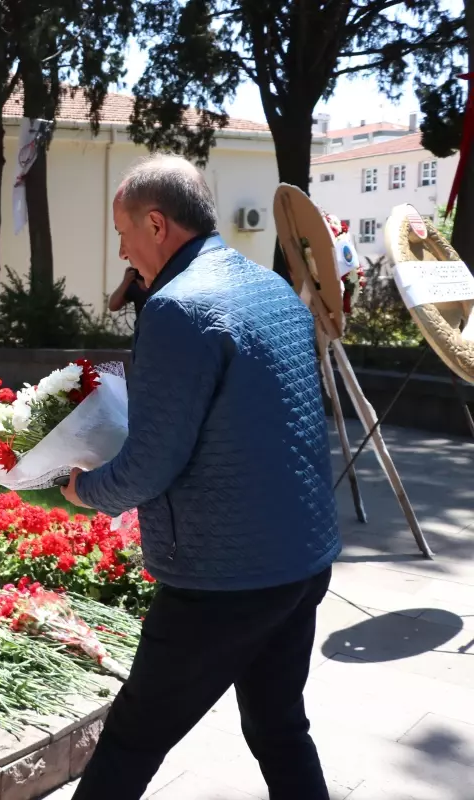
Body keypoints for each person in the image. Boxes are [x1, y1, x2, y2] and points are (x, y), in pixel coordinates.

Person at [60, 154, 340, 800]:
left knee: (131, 737)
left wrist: (85, 488)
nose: (122, 248)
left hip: (225, 581)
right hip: (303, 562)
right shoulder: (272, 289)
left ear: (156, 225)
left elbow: (152, 463)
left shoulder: (177, 308)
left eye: (123, 231)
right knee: (278, 726)